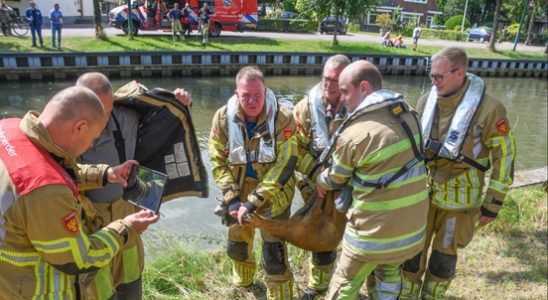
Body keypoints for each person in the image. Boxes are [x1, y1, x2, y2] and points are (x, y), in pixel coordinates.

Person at [0, 86, 159, 299]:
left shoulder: (9, 130)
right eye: (93, 137)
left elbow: (52, 168)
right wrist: (127, 227)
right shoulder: (47, 191)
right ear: (79, 127)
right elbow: (78, 259)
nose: (91, 144)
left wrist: (106, 174)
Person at [400, 47, 516, 299]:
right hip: (423, 196)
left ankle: (433, 296)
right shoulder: (424, 101)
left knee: (444, 257)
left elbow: (505, 157)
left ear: (460, 73)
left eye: (439, 76)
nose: (434, 81)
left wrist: (492, 205)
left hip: (460, 201)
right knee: (411, 252)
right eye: (431, 76)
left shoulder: (490, 110)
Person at [315, 60, 429, 300]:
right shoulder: (411, 116)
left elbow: (336, 177)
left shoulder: (355, 134)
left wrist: (320, 179)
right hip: (410, 232)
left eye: (345, 91)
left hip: (370, 237)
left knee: (344, 282)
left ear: (364, 87)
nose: (342, 98)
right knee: (389, 272)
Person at [76, 72, 193, 299]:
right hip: (89, 228)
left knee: (131, 285)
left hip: (125, 216)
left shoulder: (125, 116)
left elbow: (164, 125)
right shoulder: (64, 132)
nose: (100, 120)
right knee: (98, 291)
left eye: (105, 111)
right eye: (93, 111)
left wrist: (182, 102)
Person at [209, 66, 298, 299]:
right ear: (237, 94)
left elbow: (285, 164)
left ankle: (280, 295)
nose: (252, 101)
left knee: (274, 253)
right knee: (237, 246)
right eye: (246, 95)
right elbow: (217, 160)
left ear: (265, 91)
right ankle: (244, 286)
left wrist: (253, 203)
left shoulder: (284, 117)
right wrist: (231, 199)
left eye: (257, 94)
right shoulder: (221, 117)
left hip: (273, 193)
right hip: (238, 191)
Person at [292, 54, 350, 299]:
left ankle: (350, 283)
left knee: (356, 238)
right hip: (315, 185)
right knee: (321, 235)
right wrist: (317, 174)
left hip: (350, 185)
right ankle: (318, 285)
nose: (328, 85)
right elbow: (295, 148)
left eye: (335, 80)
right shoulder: (305, 109)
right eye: (326, 78)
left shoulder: (361, 104)